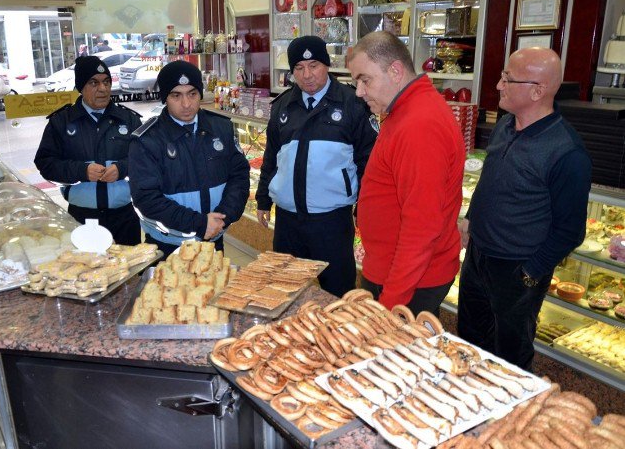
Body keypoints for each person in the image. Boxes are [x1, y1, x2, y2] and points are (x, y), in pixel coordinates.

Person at [458, 47, 592, 371]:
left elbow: (571, 230)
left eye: (508, 79)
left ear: (537, 90)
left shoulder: (567, 152)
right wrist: (471, 220)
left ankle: (510, 419)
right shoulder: (506, 125)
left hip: (518, 268)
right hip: (479, 256)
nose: (499, 85)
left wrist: (531, 273)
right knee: (468, 342)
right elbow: (490, 179)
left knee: (510, 357)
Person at [347, 31, 465, 315]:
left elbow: (421, 228)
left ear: (396, 71)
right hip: (394, 270)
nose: (359, 92)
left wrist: (390, 305)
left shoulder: (420, 124)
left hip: (409, 282)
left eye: (365, 80)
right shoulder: (404, 109)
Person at [255, 35, 377, 297]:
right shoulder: (282, 107)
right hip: (288, 222)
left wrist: (365, 211)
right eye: (299, 68)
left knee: (337, 294)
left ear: (327, 65)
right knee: (283, 293)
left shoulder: (352, 104)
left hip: (331, 222)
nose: (307, 75)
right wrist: (263, 199)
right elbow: (272, 156)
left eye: (314, 66)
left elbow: (368, 161)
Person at [128, 60, 249, 257]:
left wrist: (222, 217)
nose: (186, 104)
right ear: (165, 98)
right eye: (176, 95)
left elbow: (240, 176)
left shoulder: (221, 128)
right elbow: (147, 198)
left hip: (214, 240)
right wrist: (200, 223)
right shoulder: (147, 140)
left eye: (192, 94)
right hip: (167, 245)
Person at [34, 56, 142, 245]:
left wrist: (122, 168)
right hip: (80, 220)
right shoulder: (62, 122)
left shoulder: (129, 119)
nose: (103, 89)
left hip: (124, 218)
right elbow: (46, 164)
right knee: (88, 272)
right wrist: (81, 171)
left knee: (131, 272)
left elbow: (146, 160)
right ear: (81, 87)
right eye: (94, 83)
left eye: (106, 82)